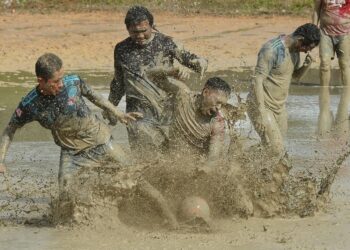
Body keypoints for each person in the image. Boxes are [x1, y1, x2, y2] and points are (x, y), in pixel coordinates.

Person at [0, 53, 179, 228]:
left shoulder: (74, 82)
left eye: (61, 78)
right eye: (55, 82)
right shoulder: (30, 105)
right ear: (41, 81)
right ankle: (65, 229)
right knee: (64, 193)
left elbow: (95, 96)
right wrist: (1, 160)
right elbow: (9, 130)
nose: (61, 84)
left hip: (101, 141)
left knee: (136, 177)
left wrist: (118, 113)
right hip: (72, 153)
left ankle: (169, 218)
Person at [105, 5, 208, 156]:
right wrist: (110, 107)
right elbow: (119, 82)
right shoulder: (121, 49)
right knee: (144, 158)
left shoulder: (164, 43)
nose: (140, 36)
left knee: (171, 155)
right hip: (138, 113)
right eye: (135, 32)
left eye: (143, 31)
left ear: (151, 27)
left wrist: (199, 63)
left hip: (166, 109)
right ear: (127, 29)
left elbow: (190, 59)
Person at [246, 23, 321, 157]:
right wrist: (261, 113)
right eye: (307, 48)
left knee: (275, 151)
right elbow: (257, 80)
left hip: (279, 109)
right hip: (261, 106)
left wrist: (307, 64)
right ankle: (244, 161)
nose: (306, 52)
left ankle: (245, 163)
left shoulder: (295, 52)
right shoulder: (271, 50)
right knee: (277, 150)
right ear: (300, 40)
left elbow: (294, 77)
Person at [146, 67, 235, 168]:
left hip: (192, 167)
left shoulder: (217, 123)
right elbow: (149, 75)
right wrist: (168, 71)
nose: (218, 108)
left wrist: (205, 169)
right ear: (206, 92)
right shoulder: (183, 95)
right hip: (169, 158)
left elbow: (213, 158)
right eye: (217, 102)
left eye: (222, 104)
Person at [313, 0, 350, 136]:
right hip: (325, 33)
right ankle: (324, 93)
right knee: (324, 64)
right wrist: (313, 30)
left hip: (345, 33)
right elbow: (316, 10)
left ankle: (346, 93)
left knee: (345, 65)